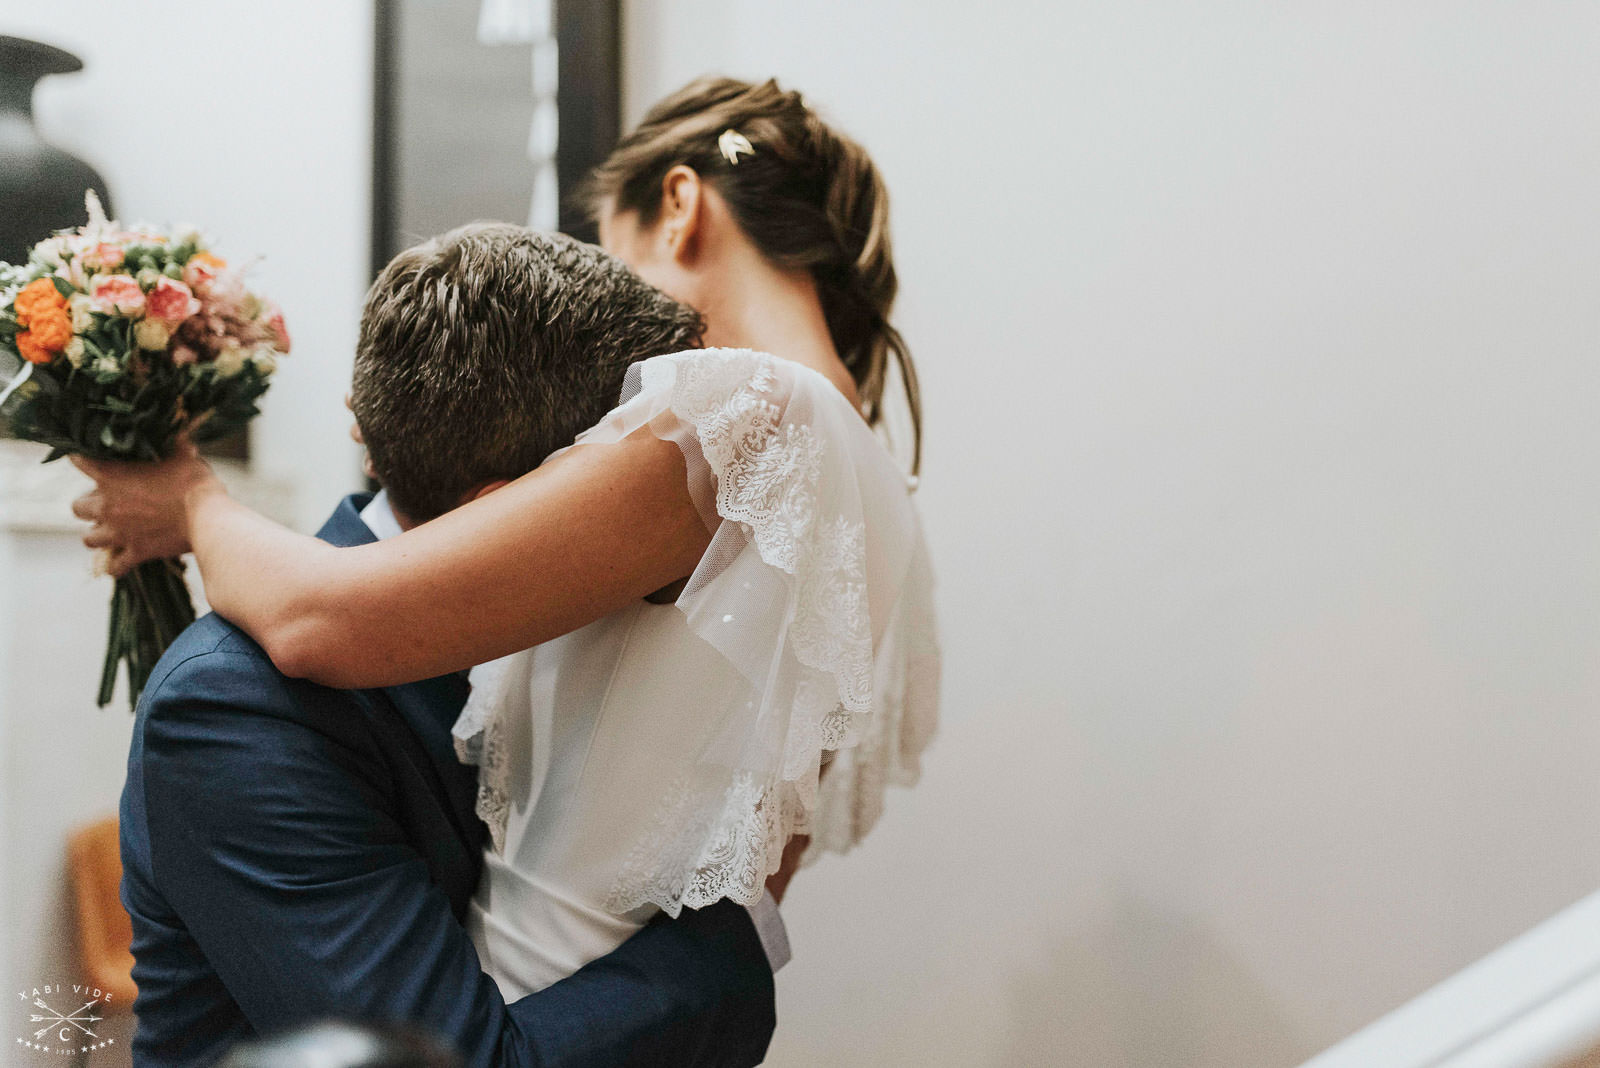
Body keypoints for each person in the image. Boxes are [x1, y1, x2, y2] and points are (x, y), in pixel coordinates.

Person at [77, 77, 939, 1010]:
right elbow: (768, 848)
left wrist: (191, 501)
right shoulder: (873, 478)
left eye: (614, 247)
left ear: (682, 206)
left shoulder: (748, 411)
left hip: (520, 1000)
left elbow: (316, 619)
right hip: (628, 1011)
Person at [108, 230, 783, 1068]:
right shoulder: (235, 711)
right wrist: (737, 932)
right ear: (505, 505)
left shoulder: (597, 637)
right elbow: (454, 1060)